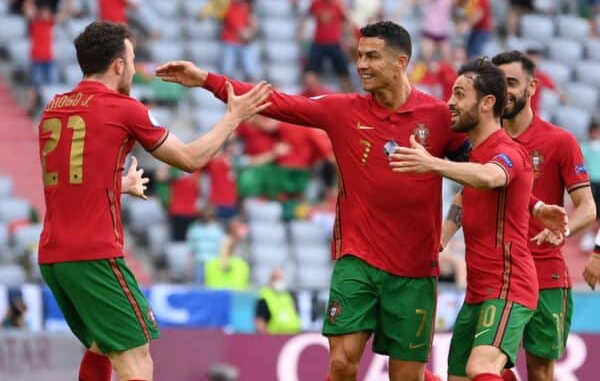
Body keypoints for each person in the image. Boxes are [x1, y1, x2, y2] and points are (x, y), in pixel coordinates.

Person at [157, 21, 473, 381]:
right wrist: (206, 80)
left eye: (372, 56)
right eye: (358, 56)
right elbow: (274, 102)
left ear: (401, 62)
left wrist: (450, 233)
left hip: (415, 270)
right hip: (358, 259)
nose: (362, 65)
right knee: (340, 363)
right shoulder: (344, 110)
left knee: (406, 376)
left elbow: (479, 175)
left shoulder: (438, 118)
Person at [37, 21, 271, 381]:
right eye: (131, 59)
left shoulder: (54, 108)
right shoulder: (124, 108)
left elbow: (71, 180)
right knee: (138, 362)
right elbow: (191, 159)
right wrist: (234, 116)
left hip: (54, 256)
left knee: (101, 346)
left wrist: (119, 183)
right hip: (94, 254)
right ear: (118, 65)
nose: (133, 66)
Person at [389, 58, 568, 381]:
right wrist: (442, 238)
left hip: (509, 286)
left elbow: (489, 177)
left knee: (480, 368)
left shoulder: (507, 151)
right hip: (477, 291)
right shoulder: (476, 153)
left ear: (487, 103)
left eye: (459, 94)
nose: (450, 102)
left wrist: (431, 163)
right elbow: (469, 193)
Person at [490, 50, 596, 381]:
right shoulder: (482, 142)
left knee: (539, 371)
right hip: (496, 275)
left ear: (532, 87)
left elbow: (588, 207)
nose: (504, 91)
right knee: (487, 364)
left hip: (545, 274)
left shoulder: (559, 141)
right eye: (498, 83)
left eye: (512, 82)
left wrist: (563, 231)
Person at [254, 268, 301, 334]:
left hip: (292, 336)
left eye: (281, 279)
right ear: (270, 280)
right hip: (274, 337)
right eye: (276, 279)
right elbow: (260, 320)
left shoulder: (287, 296)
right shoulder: (264, 297)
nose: (279, 281)